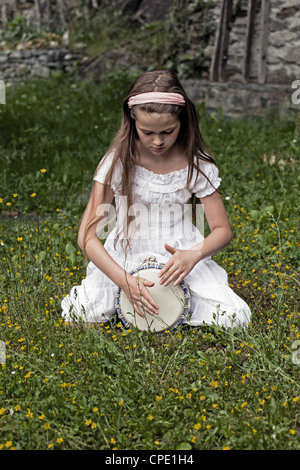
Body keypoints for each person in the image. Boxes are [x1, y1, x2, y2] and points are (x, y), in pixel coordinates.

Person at [61, 69, 251, 329]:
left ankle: (174, 301)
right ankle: (128, 296)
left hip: (179, 253)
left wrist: (193, 254)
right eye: (147, 132)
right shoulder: (117, 161)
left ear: (182, 122)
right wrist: (123, 279)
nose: (158, 141)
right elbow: (86, 236)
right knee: (79, 313)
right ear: (132, 120)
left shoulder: (197, 163)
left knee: (235, 318)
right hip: (125, 253)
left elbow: (222, 230)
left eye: (168, 131)